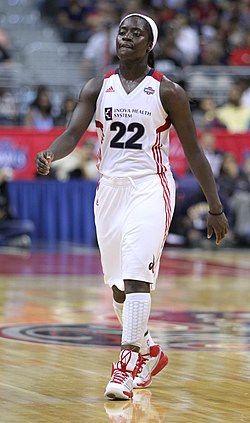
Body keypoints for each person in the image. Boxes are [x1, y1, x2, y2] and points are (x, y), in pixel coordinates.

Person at [35, 13, 229, 401]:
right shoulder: (97, 86)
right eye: (122, 31)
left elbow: (193, 153)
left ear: (149, 45)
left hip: (149, 188)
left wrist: (215, 206)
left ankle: (126, 364)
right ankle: (151, 352)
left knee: (139, 276)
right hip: (109, 190)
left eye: (135, 33)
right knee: (120, 288)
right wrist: (50, 154)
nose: (126, 37)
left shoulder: (168, 92)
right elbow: (73, 132)